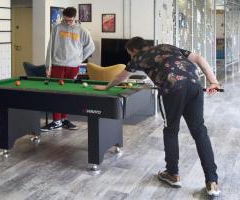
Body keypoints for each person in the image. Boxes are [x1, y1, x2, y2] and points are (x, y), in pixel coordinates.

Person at [94, 37, 221, 197]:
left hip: (172, 89)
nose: (131, 57)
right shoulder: (167, 47)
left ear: (134, 51)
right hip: (195, 85)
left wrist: (106, 87)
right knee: (199, 132)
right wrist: (214, 81)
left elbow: (121, 77)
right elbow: (199, 58)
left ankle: (172, 174)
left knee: (171, 130)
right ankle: (212, 182)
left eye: (130, 54)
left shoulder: (139, 57)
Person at [41, 7, 95, 131]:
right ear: (63, 18)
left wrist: (79, 58)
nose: (68, 23)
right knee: (56, 93)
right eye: (65, 20)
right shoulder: (57, 28)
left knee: (68, 94)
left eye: (70, 20)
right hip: (57, 65)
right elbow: (50, 47)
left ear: (75, 18)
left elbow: (91, 47)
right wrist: (48, 65)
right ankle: (56, 121)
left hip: (73, 66)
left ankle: (64, 119)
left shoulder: (82, 30)